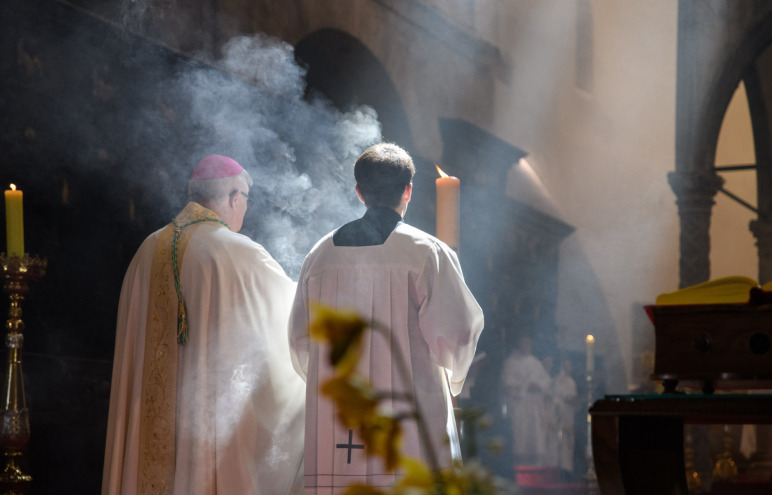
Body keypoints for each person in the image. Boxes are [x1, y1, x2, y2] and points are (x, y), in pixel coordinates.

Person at [102, 155, 306, 495]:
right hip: (205, 428)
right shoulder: (237, 252)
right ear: (232, 197)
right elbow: (298, 319)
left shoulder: (146, 250)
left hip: (150, 430)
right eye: (245, 198)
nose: (244, 208)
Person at [288, 142, 484, 494]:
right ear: (408, 190)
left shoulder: (318, 257)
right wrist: (455, 377)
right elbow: (458, 333)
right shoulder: (425, 252)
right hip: (410, 417)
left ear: (359, 191)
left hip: (338, 418)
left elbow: (300, 340)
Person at [501, 335, 551, 465]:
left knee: (536, 439)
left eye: (529, 343)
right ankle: (520, 470)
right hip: (520, 405)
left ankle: (536, 469)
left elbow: (546, 381)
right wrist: (526, 386)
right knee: (521, 439)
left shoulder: (535, 362)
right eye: (524, 343)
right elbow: (507, 382)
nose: (526, 346)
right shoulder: (511, 362)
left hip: (535, 406)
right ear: (519, 343)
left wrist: (538, 386)